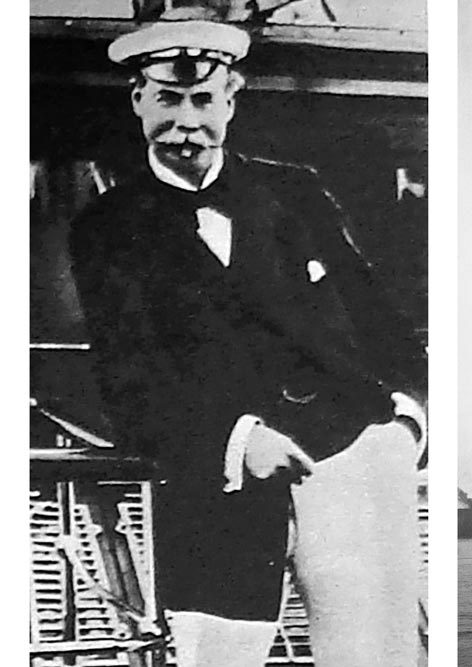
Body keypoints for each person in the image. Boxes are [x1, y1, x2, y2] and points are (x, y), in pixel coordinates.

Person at [69, 9, 426, 667]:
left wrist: (408, 421)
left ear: (230, 100)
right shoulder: (107, 228)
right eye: (168, 99)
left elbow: (380, 320)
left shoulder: (295, 193)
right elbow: (126, 377)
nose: (186, 121)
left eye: (203, 98)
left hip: (349, 468)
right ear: (138, 99)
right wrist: (235, 440)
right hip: (218, 496)